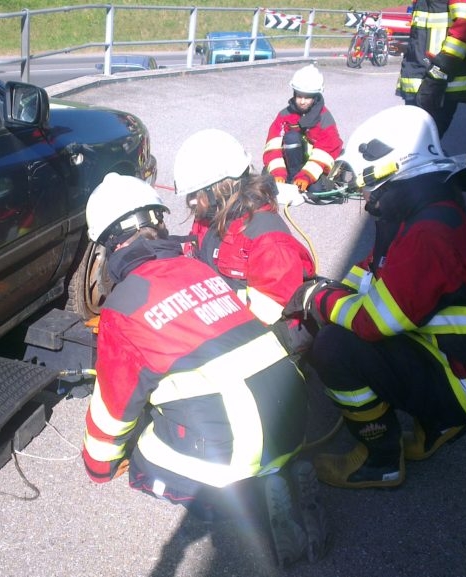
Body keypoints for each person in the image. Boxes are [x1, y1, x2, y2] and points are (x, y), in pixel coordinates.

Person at [81, 173, 324, 566]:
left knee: (145, 461)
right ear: (158, 223)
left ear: (108, 245)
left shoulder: (122, 308)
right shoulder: (200, 270)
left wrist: (98, 465)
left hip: (238, 437)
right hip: (292, 412)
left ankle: (252, 497)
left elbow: (114, 407)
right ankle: (280, 471)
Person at [283, 105, 466, 489]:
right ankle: (440, 424)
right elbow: (376, 269)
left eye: (368, 185)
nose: (365, 193)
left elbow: (373, 324)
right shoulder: (427, 208)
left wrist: (315, 300)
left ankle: (380, 459)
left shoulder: (427, 233)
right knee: (347, 318)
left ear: (392, 169)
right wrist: (330, 288)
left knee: (336, 348)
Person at [173, 129, 317, 352]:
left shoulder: (267, 239)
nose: (191, 202)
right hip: (220, 321)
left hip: (266, 335)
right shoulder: (209, 217)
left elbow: (268, 314)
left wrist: (205, 336)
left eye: (196, 194)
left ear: (221, 187)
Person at [397, 0, 466, 138]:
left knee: (419, 146)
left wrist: (438, 73)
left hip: (437, 82)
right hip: (423, 78)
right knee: (413, 147)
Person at [263, 65, 343, 194]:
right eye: (299, 96)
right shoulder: (285, 115)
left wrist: (306, 176)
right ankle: (292, 178)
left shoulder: (324, 118)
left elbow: (326, 150)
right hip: (293, 161)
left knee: (317, 191)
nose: (302, 101)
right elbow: (273, 145)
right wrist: (278, 173)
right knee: (291, 138)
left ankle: (302, 180)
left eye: (307, 97)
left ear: (316, 97)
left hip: (315, 164)